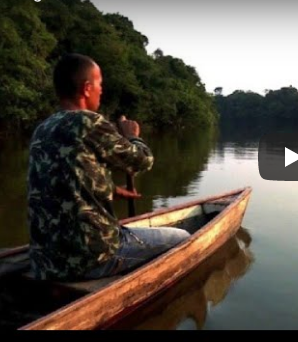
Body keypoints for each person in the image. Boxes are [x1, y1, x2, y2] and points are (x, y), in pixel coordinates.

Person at [27, 53, 191, 282]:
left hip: (46, 261)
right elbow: (143, 160)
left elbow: (63, 179)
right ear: (86, 88)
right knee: (183, 238)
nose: (101, 90)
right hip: (93, 258)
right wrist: (132, 136)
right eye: (99, 84)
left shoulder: (42, 129)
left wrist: (113, 190)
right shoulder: (89, 122)